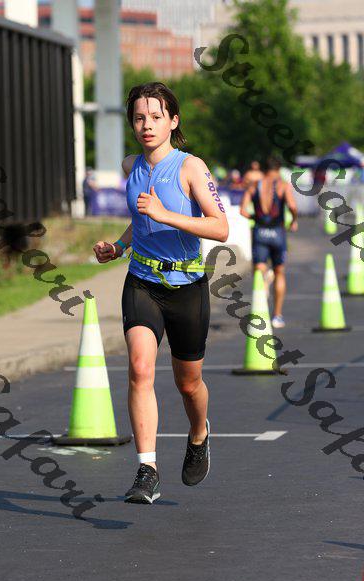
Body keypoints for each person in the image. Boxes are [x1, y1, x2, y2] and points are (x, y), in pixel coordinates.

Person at [93, 82, 228, 504]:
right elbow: (141, 218)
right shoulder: (130, 164)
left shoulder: (191, 167)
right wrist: (120, 246)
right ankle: (147, 469)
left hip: (187, 287)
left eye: (155, 117)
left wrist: (167, 214)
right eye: (139, 118)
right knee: (139, 368)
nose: (146, 125)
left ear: (173, 121)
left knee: (188, 384)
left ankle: (199, 432)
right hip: (142, 282)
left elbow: (220, 227)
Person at [240, 156, 298, 329]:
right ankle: (277, 316)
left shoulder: (254, 186)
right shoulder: (283, 185)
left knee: (259, 271)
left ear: (264, 169)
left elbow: (243, 210)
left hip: (260, 232)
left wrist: (255, 218)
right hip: (278, 232)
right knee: (280, 272)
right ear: (278, 169)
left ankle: (260, 311)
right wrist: (293, 221)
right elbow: (293, 206)